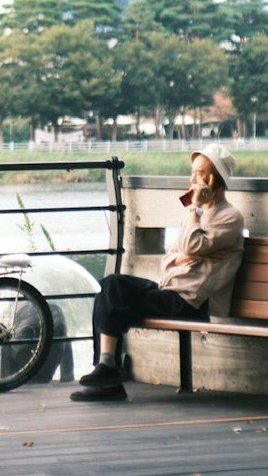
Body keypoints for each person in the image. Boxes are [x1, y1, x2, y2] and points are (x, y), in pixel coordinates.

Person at [71, 144, 244, 402]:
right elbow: (170, 259)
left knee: (115, 290)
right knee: (108, 287)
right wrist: (189, 256)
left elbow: (190, 245)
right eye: (193, 172)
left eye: (200, 173)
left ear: (214, 178)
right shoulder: (197, 216)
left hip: (192, 302)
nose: (193, 179)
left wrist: (193, 217)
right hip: (170, 292)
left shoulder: (228, 217)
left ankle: (107, 375)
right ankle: (106, 372)